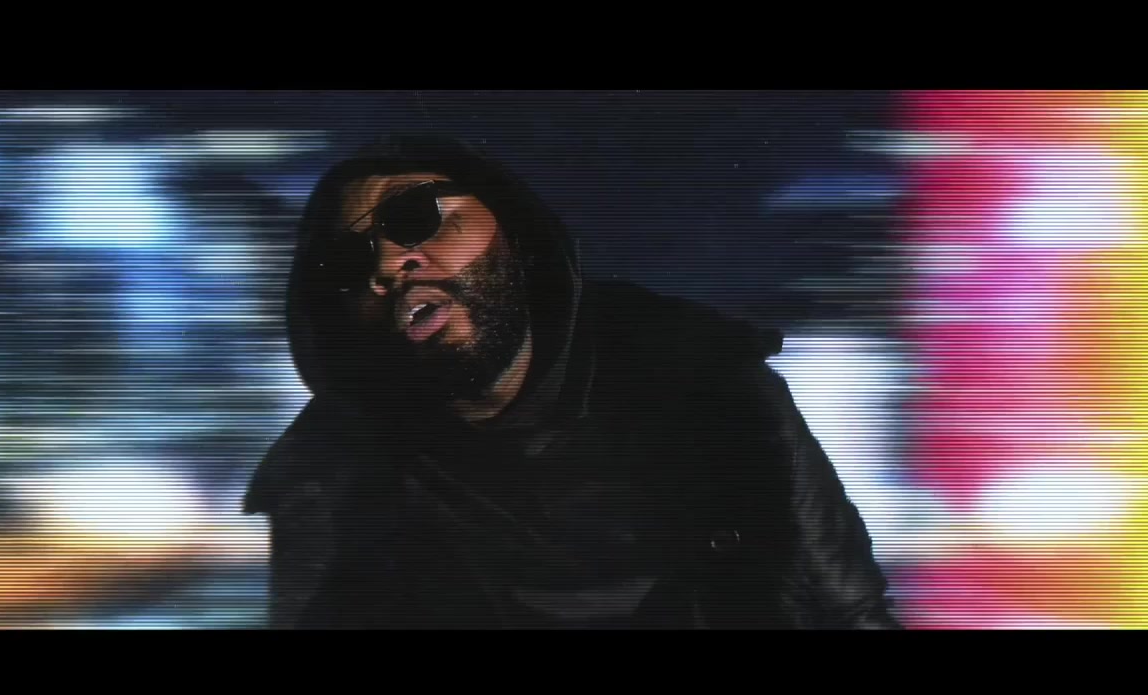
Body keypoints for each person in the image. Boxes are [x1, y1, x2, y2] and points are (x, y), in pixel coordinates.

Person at [242, 134, 903, 629]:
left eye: (416, 220)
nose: (390, 264)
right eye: (351, 258)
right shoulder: (333, 471)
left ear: (514, 231)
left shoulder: (710, 385)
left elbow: (847, 610)